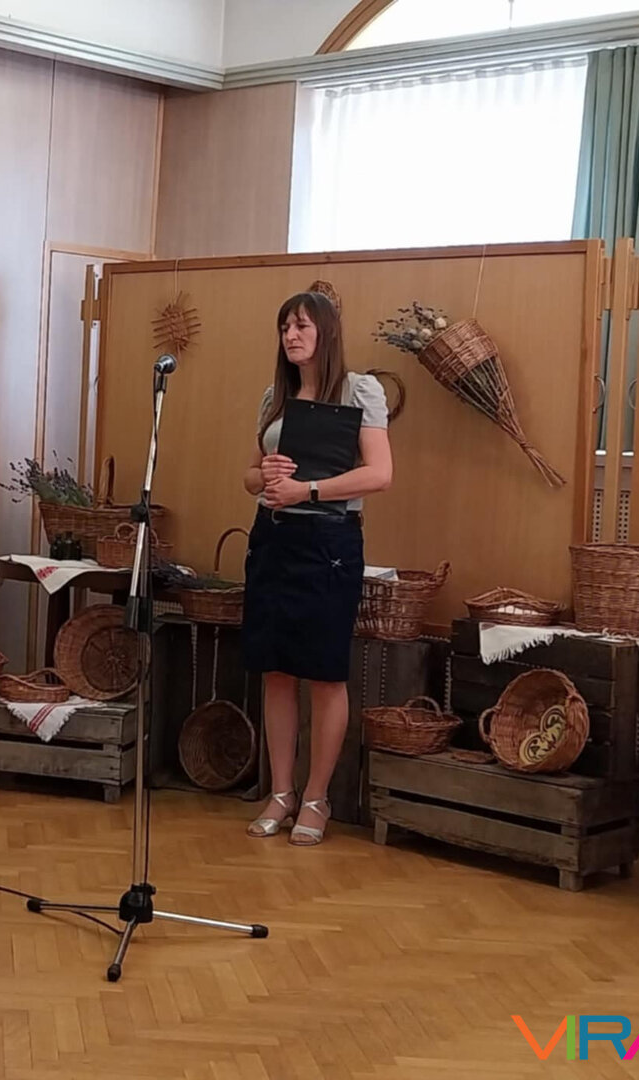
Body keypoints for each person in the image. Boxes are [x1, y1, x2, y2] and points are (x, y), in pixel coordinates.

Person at [240, 291, 392, 846]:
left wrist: (306, 489)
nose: (291, 336)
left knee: (325, 673)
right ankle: (281, 792)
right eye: (284, 327)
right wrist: (264, 475)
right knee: (276, 670)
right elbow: (250, 476)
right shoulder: (274, 397)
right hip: (272, 538)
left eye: (301, 326)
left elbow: (379, 474)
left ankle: (316, 797)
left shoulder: (359, 390)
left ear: (326, 332)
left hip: (329, 541)